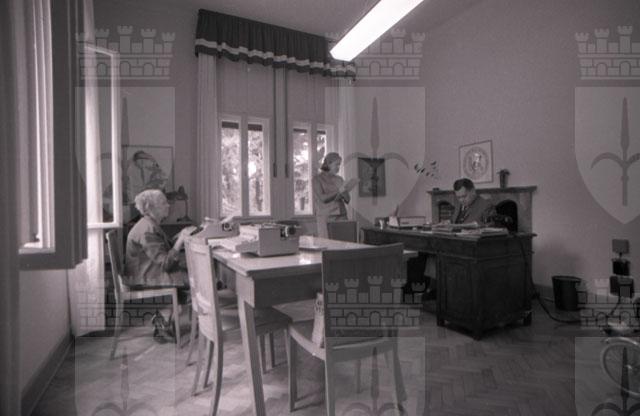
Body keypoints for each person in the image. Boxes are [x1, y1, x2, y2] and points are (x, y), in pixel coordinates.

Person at [125, 189, 196, 288]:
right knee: (199, 278)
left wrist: (180, 235)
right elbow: (166, 264)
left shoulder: (148, 224)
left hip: (148, 273)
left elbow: (162, 247)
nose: (168, 205)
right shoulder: (147, 231)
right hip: (147, 279)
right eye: (163, 203)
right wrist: (180, 240)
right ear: (151, 208)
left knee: (193, 271)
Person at [312, 152, 353, 238]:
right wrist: (338, 191)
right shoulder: (317, 179)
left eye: (339, 165)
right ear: (328, 164)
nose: (338, 167)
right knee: (327, 243)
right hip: (326, 217)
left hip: (341, 216)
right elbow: (323, 198)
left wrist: (345, 192)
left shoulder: (339, 179)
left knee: (343, 242)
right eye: (336, 164)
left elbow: (348, 200)